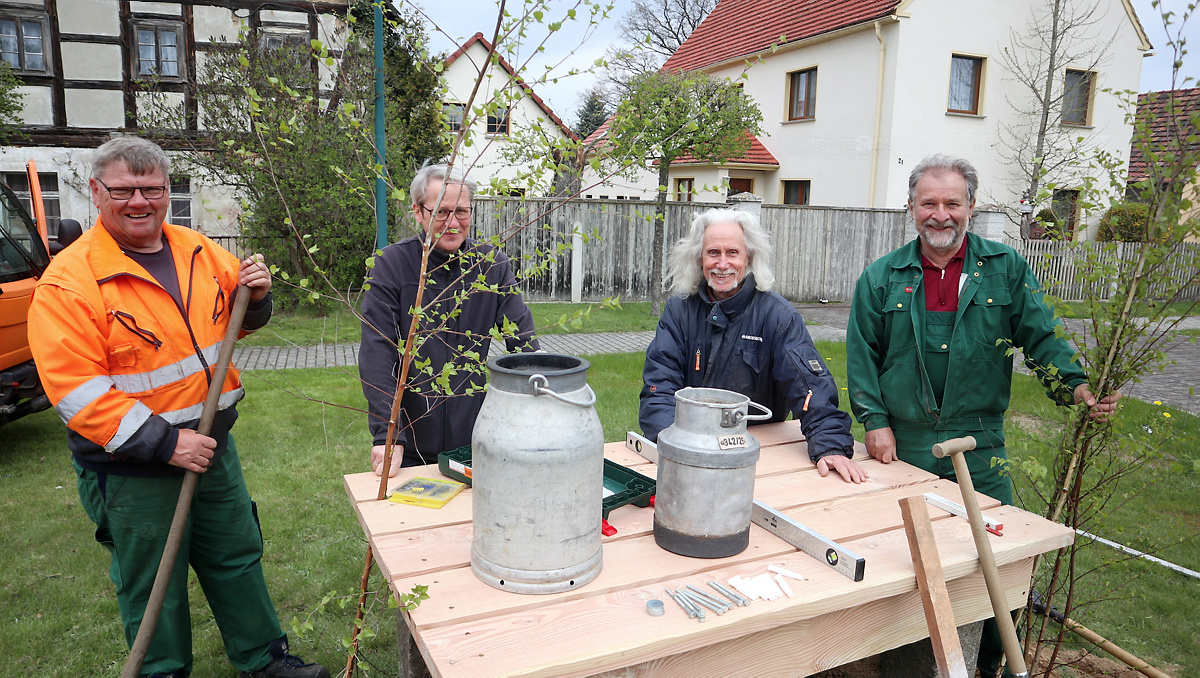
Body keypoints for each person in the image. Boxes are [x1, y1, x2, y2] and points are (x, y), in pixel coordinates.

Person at [27, 137, 328, 678]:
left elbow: (239, 318)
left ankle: (264, 662)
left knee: (236, 557)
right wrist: (167, 444)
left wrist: (256, 296)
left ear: (168, 192)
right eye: (124, 190)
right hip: (133, 467)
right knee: (153, 583)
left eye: (153, 189)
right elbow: (77, 392)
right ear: (97, 193)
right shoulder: (69, 283)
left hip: (212, 446)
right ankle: (162, 670)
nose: (139, 201)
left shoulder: (198, 250)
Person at [846, 153, 1120, 677]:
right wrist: (873, 421)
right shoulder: (882, 278)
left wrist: (1076, 387)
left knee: (1003, 569)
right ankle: (899, 661)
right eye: (929, 203)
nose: (940, 214)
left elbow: (1040, 333)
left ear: (972, 206)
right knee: (902, 566)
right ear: (911, 208)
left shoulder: (1005, 268)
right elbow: (862, 356)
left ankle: (991, 664)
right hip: (904, 448)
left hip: (981, 447)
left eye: (952, 202)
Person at [639, 208, 868, 483]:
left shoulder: (778, 316)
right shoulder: (679, 311)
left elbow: (810, 387)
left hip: (755, 455)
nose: (722, 264)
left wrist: (830, 444)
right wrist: (680, 446)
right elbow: (658, 388)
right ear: (699, 257)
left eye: (732, 253)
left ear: (749, 257)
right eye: (713, 253)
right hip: (686, 449)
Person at [360, 163, 539, 476]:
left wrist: (542, 405)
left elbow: (523, 345)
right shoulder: (392, 265)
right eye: (441, 212)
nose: (453, 224)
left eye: (462, 211)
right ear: (418, 212)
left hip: (477, 441)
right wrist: (388, 432)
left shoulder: (490, 266)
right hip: (409, 444)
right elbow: (378, 350)